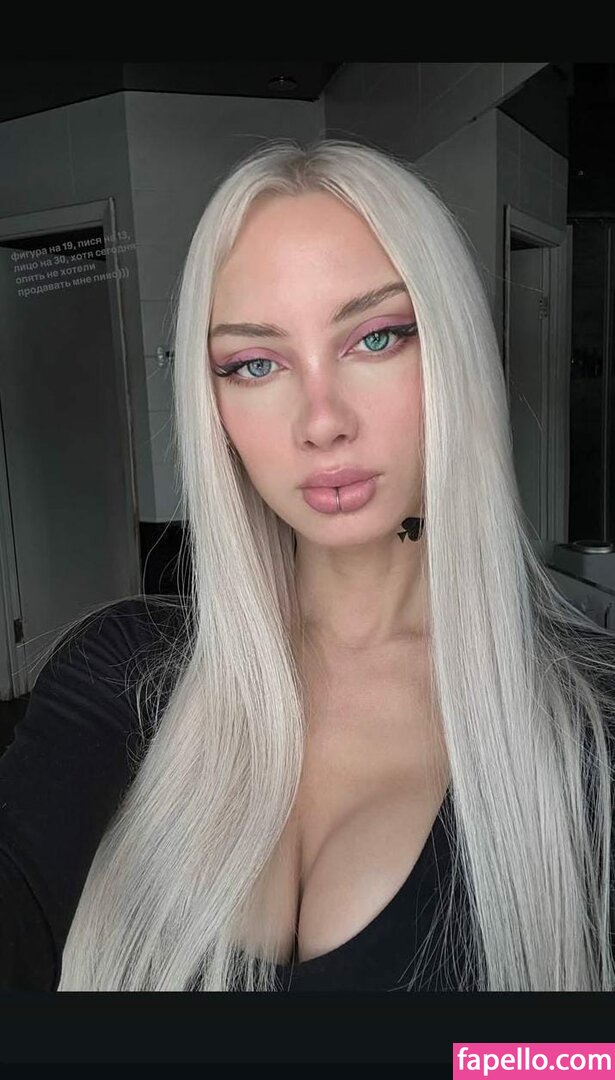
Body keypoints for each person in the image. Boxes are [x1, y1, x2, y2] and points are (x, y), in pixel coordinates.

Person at [2, 137, 614, 993]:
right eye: (255, 364)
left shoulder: (590, 723)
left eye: (376, 338)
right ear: (215, 407)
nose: (321, 421)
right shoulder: (116, 672)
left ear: (452, 353)